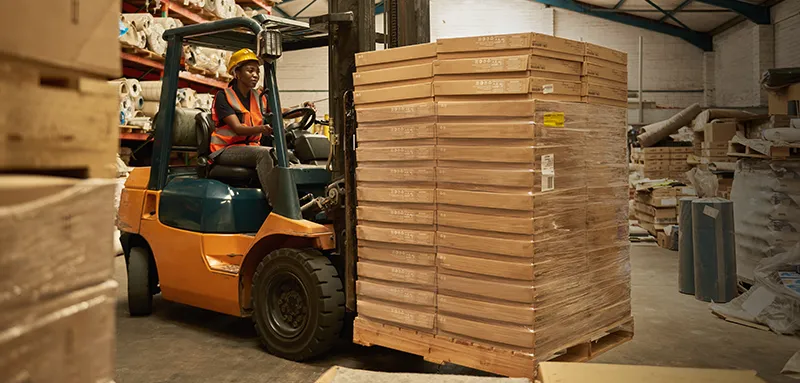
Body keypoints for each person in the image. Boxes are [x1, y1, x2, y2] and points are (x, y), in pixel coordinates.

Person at [210, 48, 314, 193]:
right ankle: (278, 205)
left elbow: (278, 112)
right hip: (225, 150)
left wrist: (302, 109)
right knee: (264, 154)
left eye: (257, 71)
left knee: (288, 154)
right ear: (237, 73)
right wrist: (262, 129)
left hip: (250, 146)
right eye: (250, 70)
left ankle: (300, 197)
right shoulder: (224, 96)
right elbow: (237, 128)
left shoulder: (258, 96)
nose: (255, 75)